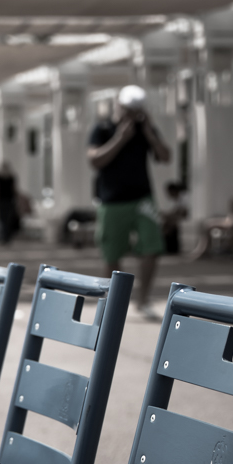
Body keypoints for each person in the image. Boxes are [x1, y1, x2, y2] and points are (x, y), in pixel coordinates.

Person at [87, 84, 171, 318]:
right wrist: (120, 139)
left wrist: (149, 134)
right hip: (112, 201)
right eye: (130, 109)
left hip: (143, 199)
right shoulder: (103, 128)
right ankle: (113, 302)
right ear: (119, 105)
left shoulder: (145, 130)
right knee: (112, 254)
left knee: (152, 247)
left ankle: (143, 300)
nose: (133, 114)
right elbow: (95, 160)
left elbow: (165, 156)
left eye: (137, 109)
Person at [0, 162, 20, 244]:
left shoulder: (2, 177)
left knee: (4, 219)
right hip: (7, 199)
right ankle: (5, 237)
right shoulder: (7, 177)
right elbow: (14, 189)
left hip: (5, 199)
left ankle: (5, 237)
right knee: (5, 218)